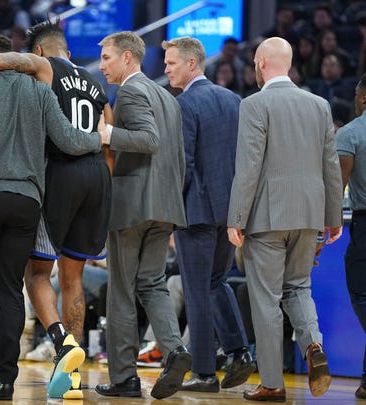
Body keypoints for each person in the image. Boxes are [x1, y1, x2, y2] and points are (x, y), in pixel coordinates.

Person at [0, 33, 106, 400]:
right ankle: (7, 380)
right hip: (26, 199)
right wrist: (102, 138)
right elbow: (71, 141)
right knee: (11, 286)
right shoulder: (39, 92)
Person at [227, 37, 343, 402]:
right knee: (299, 288)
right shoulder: (319, 104)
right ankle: (312, 344)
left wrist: (237, 217)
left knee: (266, 299)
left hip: (267, 215)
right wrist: (333, 216)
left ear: (261, 63)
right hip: (309, 214)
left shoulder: (254, 104)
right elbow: (330, 164)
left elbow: (248, 166)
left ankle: (273, 382)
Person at [94, 31, 191, 400]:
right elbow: (177, 155)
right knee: (151, 283)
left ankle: (124, 379)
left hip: (133, 204)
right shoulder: (168, 96)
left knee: (121, 291)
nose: (102, 65)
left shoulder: (132, 91)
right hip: (164, 205)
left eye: (107, 58)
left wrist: (107, 134)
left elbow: (148, 140)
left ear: (128, 59)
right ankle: (174, 351)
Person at [161, 36, 255, 393]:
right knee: (216, 282)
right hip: (230, 210)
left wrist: (171, 211)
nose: (166, 68)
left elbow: (182, 164)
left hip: (197, 212)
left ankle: (203, 373)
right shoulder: (235, 100)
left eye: (171, 63)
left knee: (197, 289)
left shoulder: (184, 104)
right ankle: (239, 352)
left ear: (191, 64)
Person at [335, 72, 366, 400]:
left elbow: (337, 185)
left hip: (364, 223)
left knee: (360, 294)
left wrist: (327, 224)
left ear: (363, 98)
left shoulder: (352, 132)